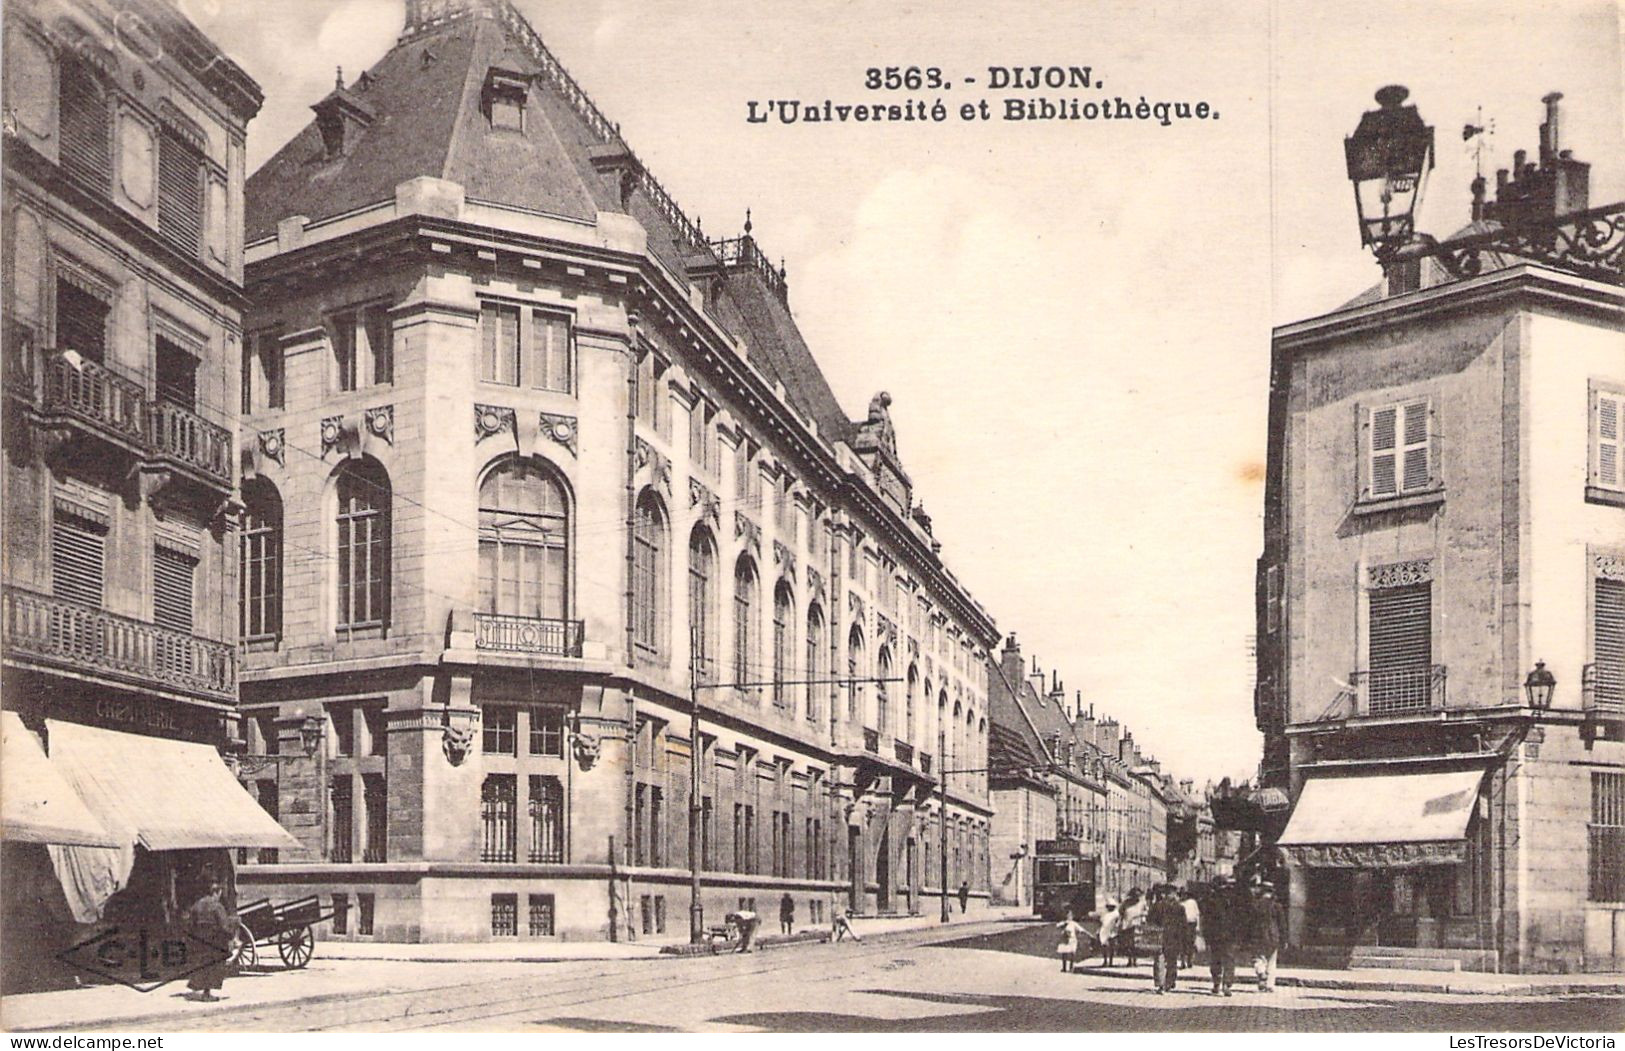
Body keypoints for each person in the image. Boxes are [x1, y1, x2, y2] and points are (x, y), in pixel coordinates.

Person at [182, 873, 237, 1002]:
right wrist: (232, 934)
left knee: (203, 966)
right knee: (215, 965)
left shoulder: (197, 905)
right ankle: (207, 993)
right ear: (216, 892)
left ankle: (204, 991)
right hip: (214, 944)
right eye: (219, 892)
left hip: (200, 943)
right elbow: (225, 927)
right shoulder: (217, 907)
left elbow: (190, 925)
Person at [1198, 877, 1239, 996]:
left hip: (1215, 935)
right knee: (1229, 959)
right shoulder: (1233, 900)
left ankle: (1216, 984)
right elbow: (1239, 918)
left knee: (1216, 959)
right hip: (1229, 934)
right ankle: (1227, 984)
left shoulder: (1210, 900)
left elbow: (1206, 919)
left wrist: (1205, 935)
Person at [1150, 886, 1191, 994]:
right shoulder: (1179, 907)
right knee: (1172, 961)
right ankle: (1169, 982)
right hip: (1174, 937)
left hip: (1160, 936)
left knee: (1160, 960)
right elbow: (1184, 924)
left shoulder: (1157, 906)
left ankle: (1161, 984)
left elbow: (1150, 920)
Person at [1247, 880, 1283, 993]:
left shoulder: (1255, 905)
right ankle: (1270, 985)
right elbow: (1282, 924)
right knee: (1272, 961)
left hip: (1258, 936)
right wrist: (1284, 939)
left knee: (1258, 958)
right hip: (1274, 936)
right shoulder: (1277, 906)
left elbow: (1249, 922)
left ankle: (1261, 973)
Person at [1120, 888, 1146, 967]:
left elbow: (1145, 912)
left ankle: (1135, 960)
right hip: (1127, 925)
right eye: (1134, 896)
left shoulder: (1142, 903)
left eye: (1137, 896)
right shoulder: (1126, 903)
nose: (1136, 897)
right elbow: (1121, 911)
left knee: (1136, 944)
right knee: (1128, 944)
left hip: (1137, 925)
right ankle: (1129, 960)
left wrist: (1142, 918)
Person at [1055, 908, 1085, 973]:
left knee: (1072, 953)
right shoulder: (1062, 923)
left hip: (1072, 939)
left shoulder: (1074, 923)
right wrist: (1064, 924)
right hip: (1064, 940)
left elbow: (1080, 929)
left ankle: (1071, 967)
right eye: (1068, 915)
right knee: (1064, 953)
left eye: (1070, 915)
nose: (1069, 916)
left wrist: (1082, 932)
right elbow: (1057, 926)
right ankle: (1064, 967)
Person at [1180, 885, 1202, 970]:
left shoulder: (1192, 902)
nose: (1183, 896)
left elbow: (1197, 914)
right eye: (1181, 894)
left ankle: (1189, 961)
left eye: (1184, 894)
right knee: (1182, 943)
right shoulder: (1180, 903)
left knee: (1191, 943)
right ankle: (1182, 962)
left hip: (1191, 924)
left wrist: (1198, 926)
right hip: (1183, 925)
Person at [1096, 899, 1121, 967]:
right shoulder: (1104, 914)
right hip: (1104, 931)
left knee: (1111, 947)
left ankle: (1111, 961)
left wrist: (1116, 927)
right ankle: (1105, 960)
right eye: (1109, 906)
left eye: (1111, 906)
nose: (1110, 907)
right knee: (1104, 947)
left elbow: (1118, 922)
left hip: (1112, 932)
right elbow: (1101, 922)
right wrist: (1098, 930)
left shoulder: (1116, 914)